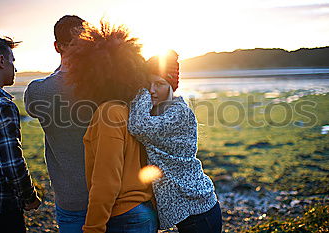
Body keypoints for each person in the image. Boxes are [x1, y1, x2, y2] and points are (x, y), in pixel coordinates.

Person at [64, 21, 173, 233]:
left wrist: (93, 227)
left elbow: (107, 181)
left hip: (126, 216)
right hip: (143, 212)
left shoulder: (109, 114)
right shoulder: (134, 110)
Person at [128, 51, 223, 233]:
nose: (152, 90)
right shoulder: (159, 112)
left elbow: (138, 126)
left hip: (200, 212)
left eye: (160, 84)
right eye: (148, 84)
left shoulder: (179, 113)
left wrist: (141, 90)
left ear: (171, 87)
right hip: (192, 212)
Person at [24, 15, 92, 233]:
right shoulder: (105, 86)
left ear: (57, 47)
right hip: (112, 196)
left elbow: (35, 103)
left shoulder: (38, 91)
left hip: (70, 198)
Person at [0, 34, 41, 233]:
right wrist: (30, 197)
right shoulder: (1, 105)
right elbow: (12, 164)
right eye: (12, 61)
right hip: (0, 212)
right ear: (1, 61)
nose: (15, 69)